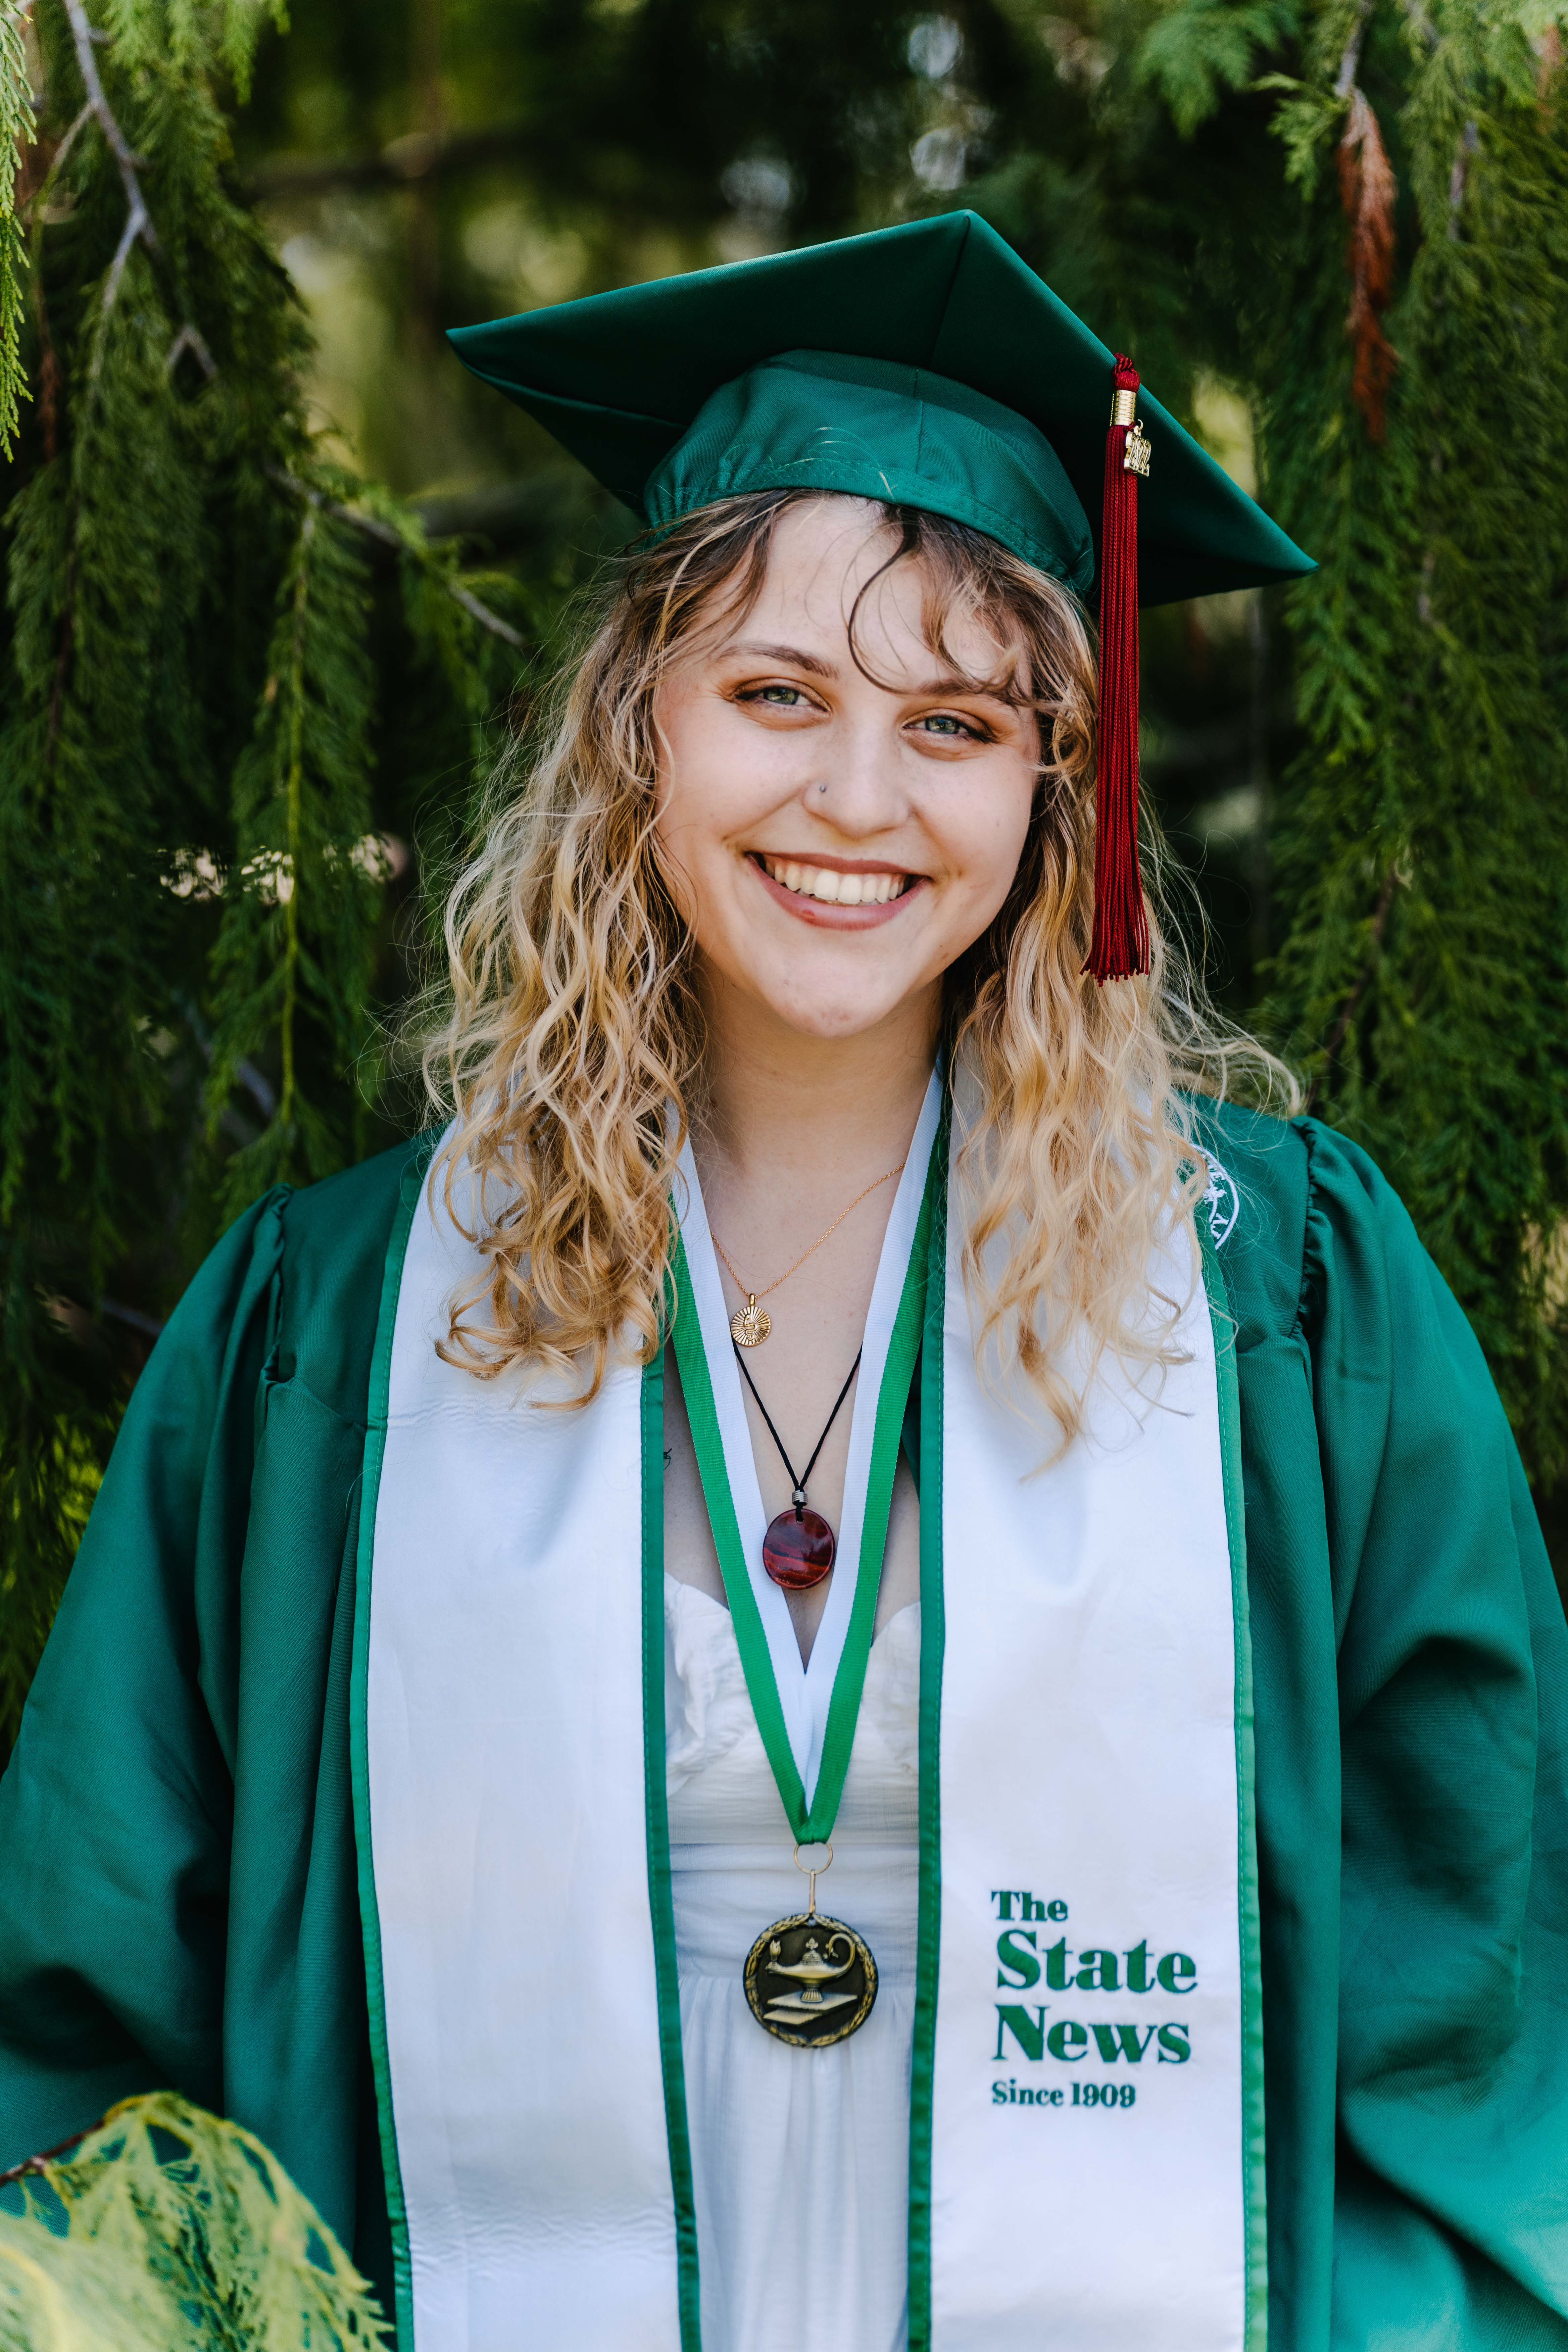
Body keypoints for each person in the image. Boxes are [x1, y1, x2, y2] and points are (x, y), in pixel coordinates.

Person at [0, 210, 1565, 2352]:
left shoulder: (1285, 1305)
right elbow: (90, 2045)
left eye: (954, 722)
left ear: (1057, 780)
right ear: (637, 729)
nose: (856, 797)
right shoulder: (338, 1331)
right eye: (775, 693)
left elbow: (1471, 2028)